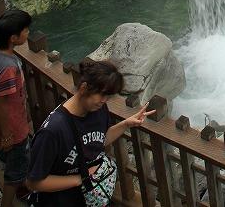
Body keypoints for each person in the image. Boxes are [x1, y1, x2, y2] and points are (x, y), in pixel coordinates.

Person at [25, 59, 151, 205]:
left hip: (84, 197)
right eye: (101, 94)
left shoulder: (98, 109)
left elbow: (98, 141)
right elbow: (33, 183)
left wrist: (126, 124)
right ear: (84, 88)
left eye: (108, 96)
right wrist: (79, 179)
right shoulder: (53, 130)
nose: (104, 100)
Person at [0, 9, 34, 207]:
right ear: (13, 38)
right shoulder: (9, 68)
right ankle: (8, 201)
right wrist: (8, 135)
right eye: (25, 31)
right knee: (15, 169)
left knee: (12, 160)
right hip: (13, 129)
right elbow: (2, 107)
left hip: (4, 125)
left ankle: (22, 185)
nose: (28, 33)